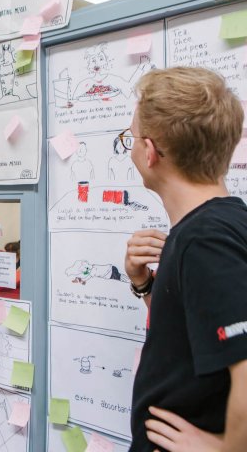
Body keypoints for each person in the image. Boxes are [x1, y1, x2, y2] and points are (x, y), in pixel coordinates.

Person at [123, 67, 247, 451]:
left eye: (131, 138)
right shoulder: (223, 222)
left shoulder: (204, 239)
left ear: (150, 151)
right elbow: (202, 330)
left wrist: (226, 449)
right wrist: (144, 284)